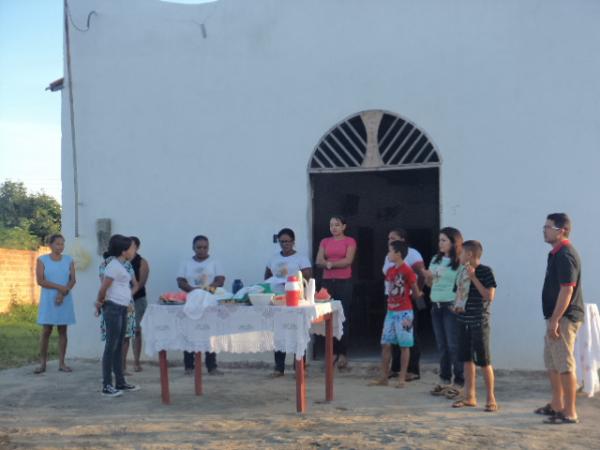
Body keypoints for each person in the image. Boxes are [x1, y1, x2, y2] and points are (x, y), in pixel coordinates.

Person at [536, 213, 584, 424]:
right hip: (555, 317)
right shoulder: (555, 254)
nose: (544, 230)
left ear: (561, 230)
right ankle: (557, 404)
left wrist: (555, 320)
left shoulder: (565, 254)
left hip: (563, 318)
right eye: (544, 227)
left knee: (564, 364)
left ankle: (570, 411)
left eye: (548, 227)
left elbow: (567, 290)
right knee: (552, 362)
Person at [452, 240, 497, 412]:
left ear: (470, 254)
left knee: (484, 361)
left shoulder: (485, 272)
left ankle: (490, 398)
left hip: (479, 322)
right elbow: (459, 293)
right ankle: (469, 396)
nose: (460, 256)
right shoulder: (461, 271)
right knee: (467, 360)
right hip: (463, 321)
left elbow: (488, 296)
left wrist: (474, 278)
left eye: (462, 253)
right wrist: (456, 306)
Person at [370, 240, 422, 387]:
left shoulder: (407, 271)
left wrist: (419, 294)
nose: (388, 254)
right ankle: (384, 377)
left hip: (404, 312)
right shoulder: (391, 271)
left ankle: (401, 378)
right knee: (386, 344)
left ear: (398, 254)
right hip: (391, 312)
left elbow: (415, 290)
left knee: (404, 345)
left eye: (390, 251)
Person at [94, 234, 140, 397]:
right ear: (123, 251)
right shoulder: (113, 266)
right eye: (131, 248)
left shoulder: (122, 265)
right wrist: (99, 303)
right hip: (112, 308)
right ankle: (107, 385)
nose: (134, 250)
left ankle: (120, 382)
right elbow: (103, 288)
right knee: (111, 347)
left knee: (118, 346)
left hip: (121, 308)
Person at [264, 228, 313, 377]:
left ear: (293, 241)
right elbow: (267, 277)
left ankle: (299, 368)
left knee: (298, 332)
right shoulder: (273, 258)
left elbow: (308, 278)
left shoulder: (301, 258)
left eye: (287, 241)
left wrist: (292, 283)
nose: (284, 244)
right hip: (278, 300)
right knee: (279, 333)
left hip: (296, 300)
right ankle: (279, 368)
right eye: (282, 241)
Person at [424, 227, 465, 398]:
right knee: (442, 345)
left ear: (454, 242)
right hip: (436, 305)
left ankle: (459, 381)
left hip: (450, 306)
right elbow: (429, 284)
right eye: (439, 240)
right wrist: (428, 276)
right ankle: (444, 378)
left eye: (444, 240)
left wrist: (458, 304)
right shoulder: (435, 259)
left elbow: (462, 286)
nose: (440, 243)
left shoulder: (459, 262)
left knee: (453, 345)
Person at [177, 235, 225, 376]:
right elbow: (180, 281)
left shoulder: (214, 262)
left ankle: (212, 366)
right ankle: (189, 367)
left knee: (210, 333)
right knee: (189, 332)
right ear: (193, 248)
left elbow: (220, 280)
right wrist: (193, 290)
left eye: (205, 247)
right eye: (199, 247)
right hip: (191, 300)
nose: (202, 250)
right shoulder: (186, 263)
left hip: (209, 301)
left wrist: (207, 289)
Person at [383, 228, 426, 381]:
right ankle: (396, 368)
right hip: (392, 301)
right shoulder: (389, 256)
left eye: (393, 237)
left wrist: (417, 293)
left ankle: (412, 370)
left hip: (408, 300)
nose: (389, 240)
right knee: (394, 336)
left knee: (409, 336)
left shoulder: (412, 254)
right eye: (388, 237)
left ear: (402, 239)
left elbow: (421, 274)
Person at [315, 215, 357, 369]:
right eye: (331, 225)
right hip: (327, 283)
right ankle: (331, 352)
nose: (334, 228)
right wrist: (331, 264)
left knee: (343, 316)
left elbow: (348, 261)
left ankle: (343, 353)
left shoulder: (350, 241)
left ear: (344, 226)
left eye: (337, 225)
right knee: (328, 317)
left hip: (344, 282)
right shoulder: (324, 241)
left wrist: (329, 264)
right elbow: (318, 261)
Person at [34, 234, 76, 374]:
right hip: (49, 299)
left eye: (62, 244)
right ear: (50, 245)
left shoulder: (69, 260)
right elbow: (41, 281)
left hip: (64, 298)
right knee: (46, 331)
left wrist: (63, 292)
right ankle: (42, 364)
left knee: (63, 330)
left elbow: (72, 280)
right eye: (57, 244)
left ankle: (62, 363)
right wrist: (60, 288)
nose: (60, 246)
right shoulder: (42, 260)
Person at [130, 236, 150, 372]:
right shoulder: (119, 261)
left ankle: (136, 361)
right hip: (121, 301)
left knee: (136, 330)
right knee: (124, 333)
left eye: (132, 246)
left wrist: (127, 295)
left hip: (137, 299)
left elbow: (141, 284)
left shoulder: (142, 262)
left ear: (137, 247)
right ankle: (122, 362)